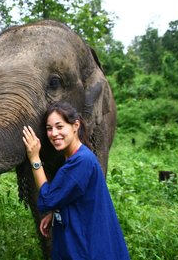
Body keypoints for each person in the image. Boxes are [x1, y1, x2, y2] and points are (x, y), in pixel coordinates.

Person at [22, 101, 130, 260]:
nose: (54, 133)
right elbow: (75, 196)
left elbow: (47, 199)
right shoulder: (78, 158)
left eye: (60, 127)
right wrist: (57, 211)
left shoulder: (80, 162)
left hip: (86, 249)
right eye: (49, 128)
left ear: (75, 126)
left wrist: (34, 159)